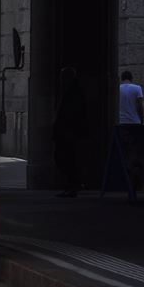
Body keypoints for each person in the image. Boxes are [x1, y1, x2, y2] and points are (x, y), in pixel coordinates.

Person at [51, 66, 85, 197]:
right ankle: (72, 185)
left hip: (68, 133)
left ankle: (73, 185)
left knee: (65, 159)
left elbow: (69, 114)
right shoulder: (70, 91)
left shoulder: (72, 93)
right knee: (66, 159)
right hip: (67, 132)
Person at [117, 70, 144, 191]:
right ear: (131, 78)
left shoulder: (117, 88)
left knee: (122, 152)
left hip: (121, 123)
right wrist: (141, 120)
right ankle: (136, 181)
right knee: (136, 153)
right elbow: (140, 105)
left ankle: (125, 180)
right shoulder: (137, 88)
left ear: (122, 78)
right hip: (134, 123)